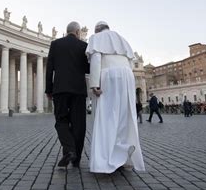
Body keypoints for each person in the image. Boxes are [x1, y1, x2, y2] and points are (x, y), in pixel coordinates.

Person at [86, 21, 145, 173]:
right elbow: (130, 62)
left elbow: (96, 59)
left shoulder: (96, 38)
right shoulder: (121, 39)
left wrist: (94, 83)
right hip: (127, 76)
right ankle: (123, 154)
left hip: (109, 75)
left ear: (97, 30)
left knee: (106, 117)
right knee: (124, 117)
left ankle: (104, 160)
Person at [45, 21, 90, 167]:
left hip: (60, 89)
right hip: (78, 90)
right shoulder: (84, 46)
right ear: (78, 32)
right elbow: (88, 69)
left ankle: (69, 150)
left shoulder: (55, 44)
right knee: (79, 124)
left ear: (67, 31)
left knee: (61, 121)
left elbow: (49, 68)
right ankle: (75, 159)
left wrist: (49, 89)